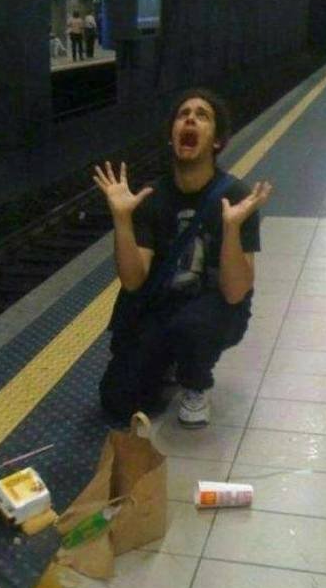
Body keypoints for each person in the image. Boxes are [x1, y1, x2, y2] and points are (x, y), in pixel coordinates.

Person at [96, 89, 271, 427]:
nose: (190, 118)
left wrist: (231, 229)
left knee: (191, 327)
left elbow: (236, 291)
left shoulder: (235, 197)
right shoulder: (152, 196)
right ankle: (166, 360)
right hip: (162, 305)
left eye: (202, 115)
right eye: (183, 114)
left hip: (213, 307)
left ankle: (195, 383)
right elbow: (133, 280)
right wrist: (122, 219)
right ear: (172, 136)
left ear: (217, 141)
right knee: (117, 402)